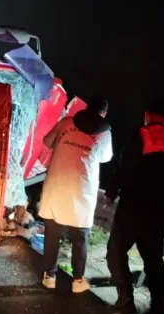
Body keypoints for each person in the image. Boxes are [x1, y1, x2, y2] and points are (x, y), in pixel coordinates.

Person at [105, 101, 164, 314]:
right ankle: (158, 310)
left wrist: (111, 191)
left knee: (116, 252)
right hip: (158, 211)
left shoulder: (142, 135)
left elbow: (126, 166)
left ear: (147, 115)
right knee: (153, 260)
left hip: (133, 206)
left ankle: (126, 301)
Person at [38, 95, 114, 292]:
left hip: (57, 183)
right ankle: (77, 280)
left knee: (52, 232)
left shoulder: (66, 122)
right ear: (104, 113)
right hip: (83, 189)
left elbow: (47, 141)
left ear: (87, 107)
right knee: (80, 236)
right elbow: (106, 158)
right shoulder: (105, 132)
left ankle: (49, 276)